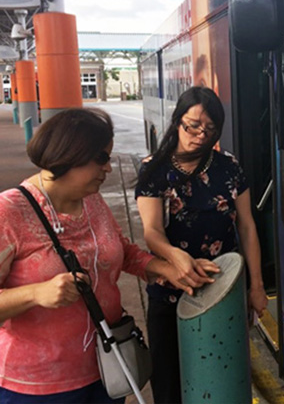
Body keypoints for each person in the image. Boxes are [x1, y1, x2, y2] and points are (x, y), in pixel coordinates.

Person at [0, 107, 214, 404]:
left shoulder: (92, 201)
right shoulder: (9, 212)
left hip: (108, 369)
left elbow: (123, 252)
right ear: (69, 154)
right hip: (39, 387)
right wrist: (36, 293)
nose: (109, 169)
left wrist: (170, 269)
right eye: (101, 158)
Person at [135, 86, 268, 404]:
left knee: (222, 375)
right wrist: (175, 256)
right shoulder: (155, 169)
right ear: (177, 120)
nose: (199, 135)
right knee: (169, 384)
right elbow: (152, 231)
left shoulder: (229, 167)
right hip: (171, 287)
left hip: (222, 288)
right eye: (192, 125)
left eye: (209, 129)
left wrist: (257, 286)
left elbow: (247, 226)